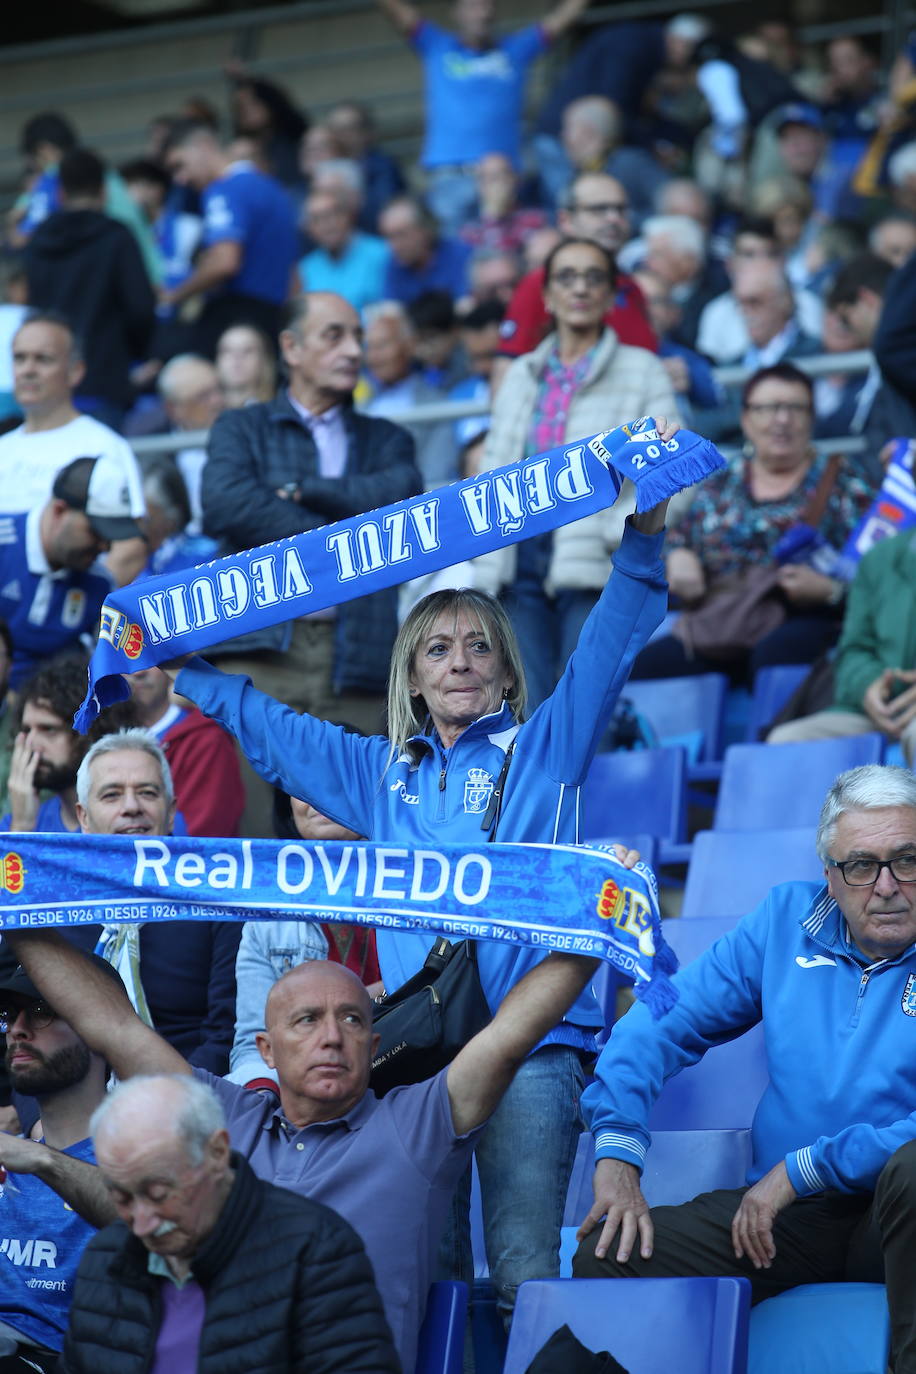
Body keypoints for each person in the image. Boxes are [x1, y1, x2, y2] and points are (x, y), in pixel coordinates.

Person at [145, 425, 677, 1333]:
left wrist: (647, 530)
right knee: (426, 1279)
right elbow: (276, 730)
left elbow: (610, 640)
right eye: (437, 650)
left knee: (519, 1272)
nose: (460, 660)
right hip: (417, 1058)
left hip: (532, 1052)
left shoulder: (547, 746)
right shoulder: (377, 772)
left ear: (508, 669)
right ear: (412, 678)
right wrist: (179, 669)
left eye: (478, 646)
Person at [8, 930, 606, 1371]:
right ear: (265, 1050)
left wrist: (596, 918)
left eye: (350, 1020)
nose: (331, 1036)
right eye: (307, 1020)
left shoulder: (416, 1127)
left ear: (373, 1045)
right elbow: (110, 1025)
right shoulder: (221, 1117)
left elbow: (510, 1036)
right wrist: (20, 900)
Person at [574, 763, 916, 1374]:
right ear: (830, 879)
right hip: (784, 1221)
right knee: (607, 1254)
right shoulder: (786, 922)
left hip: (894, 1211)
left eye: (908, 859)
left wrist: (803, 1169)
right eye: (861, 866)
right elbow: (659, 1020)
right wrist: (619, 1149)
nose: (887, 885)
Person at [61, 1073, 398, 1374]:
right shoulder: (106, 1256)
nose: (142, 1224)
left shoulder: (316, 1251)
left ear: (218, 1153)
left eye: (160, 1194)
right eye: (121, 1198)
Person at [480, 237, 679, 708]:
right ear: (546, 296)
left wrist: (621, 530)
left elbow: (673, 463)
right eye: (566, 277)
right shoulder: (521, 374)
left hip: (597, 556)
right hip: (519, 552)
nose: (581, 288)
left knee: (587, 706)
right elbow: (492, 467)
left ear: (612, 296)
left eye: (594, 278)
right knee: (523, 706)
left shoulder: (644, 370)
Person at [632, 363, 874, 682]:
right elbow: (680, 536)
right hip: (722, 621)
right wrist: (678, 556)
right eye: (768, 408)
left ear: (812, 418)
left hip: (803, 619)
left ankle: (771, 734)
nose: (782, 420)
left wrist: (831, 592)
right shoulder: (722, 481)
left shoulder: (845, 482)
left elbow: (879, 573)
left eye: (795, 408)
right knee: (641, 669)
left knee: (776, 655)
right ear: (746, 419)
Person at [67, 730, 240, 1076]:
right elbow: (21, 1028)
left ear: (171, 811)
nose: (132, 807)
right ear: (83, 817)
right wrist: (35, 1117)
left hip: (194, 1097)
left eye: (147, 792)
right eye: (112, 795)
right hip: (74, 1107)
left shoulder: (217, 897)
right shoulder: (48, 906)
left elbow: (226, 1033)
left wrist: (172, 1103)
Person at [0, 955, 127, 1371]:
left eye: (41, 1012)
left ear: (100, 1032)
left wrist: (40, 1160)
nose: (17, 1030)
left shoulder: (144, 1162)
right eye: (9, 1015)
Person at [375, 0, 590, 231]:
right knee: (456, 253)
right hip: (451, 177)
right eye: (473, 6)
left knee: (504, 249)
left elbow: (557, 23)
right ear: (456, 13)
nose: (483, 13)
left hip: (504, 178)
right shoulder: (437, 45)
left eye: (489, 7)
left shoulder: (515, 50)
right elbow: (402, 15)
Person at [0, 313, 146, 582]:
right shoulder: (3, 448)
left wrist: (76, 612)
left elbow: (129, 549)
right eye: (19, 358)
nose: (28, 369)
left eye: (43, 359)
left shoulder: (105, 445)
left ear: (75, 371)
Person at [24, 149, 156, 432]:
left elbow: (34, 309)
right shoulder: (117, 236)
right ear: (104, 192)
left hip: (51, 383)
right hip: (105, 378)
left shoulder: (37, 241)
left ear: (60, 193)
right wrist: (137, 354)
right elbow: (141, 308)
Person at [768, 530, 916, 763]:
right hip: (878, 712)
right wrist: (869, 686)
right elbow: (853, 649)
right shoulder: (879, 557)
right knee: (785, 742)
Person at [0, 455, 142, 692]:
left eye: (111, 537)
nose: (105, 547)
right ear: (59, 511)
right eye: (96, 531)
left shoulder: (98, 584)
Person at [161, 120, 298, 355]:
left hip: (238, 317)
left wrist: (173, 296)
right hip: (275, 319)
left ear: (203, 146)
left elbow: (225, 261)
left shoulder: (223, 189)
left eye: (179, 165)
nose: (180, 179)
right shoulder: (274, 189)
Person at [497, 172, 656, 365]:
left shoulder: (632, 288)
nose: (614, 218)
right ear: (566, 220)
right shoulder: (541, 283)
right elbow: (507, 371)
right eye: (599, 209)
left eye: (621, 209)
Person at [1, 656, 137, 835]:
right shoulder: (15, 824)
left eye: (48, 729)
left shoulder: (131, 818)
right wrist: (22, 827)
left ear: (90, 730)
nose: (31, 744)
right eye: (27, 730)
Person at [127, 665, 244, 837]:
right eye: (125, 659)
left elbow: (208, 830)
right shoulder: (93, 733)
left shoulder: (207, 738)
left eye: (150, 659)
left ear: (170, 667)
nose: (138, 672)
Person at [363, 300, 458, 488]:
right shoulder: (360, 406)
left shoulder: (437, 405)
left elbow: (436, 473)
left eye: (382, 346)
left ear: (409, 346)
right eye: (369, 348)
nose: (374, 356)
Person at [298, 185, 389, 311]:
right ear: (309, 229)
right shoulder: (306, 269)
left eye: (331, 215)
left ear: (348, 215)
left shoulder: (382, 253)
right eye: (316, 219)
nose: (326, 225)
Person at [324, 100, 406, 233]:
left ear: (366, 133)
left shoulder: (383, 167)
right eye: (334, 130)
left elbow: (381, 213)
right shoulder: (324, 167)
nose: (339, 136)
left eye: (347, 129)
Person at [378, 196, 472, 305]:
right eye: (388, 237)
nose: (393, 246)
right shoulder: (394, 265)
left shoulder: (462, 256)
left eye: (401, 235)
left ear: (425, 230)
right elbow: (390, 310)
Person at [215, 323, 276, 408]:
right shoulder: (202, 413)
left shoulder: (276, 413)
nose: (236, 357)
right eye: (227, 350)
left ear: (264, 360)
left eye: (248, 351)